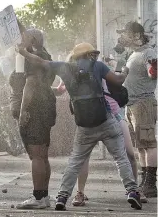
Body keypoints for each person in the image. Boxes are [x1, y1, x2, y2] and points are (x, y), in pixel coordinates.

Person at [17, 41, 142, 210]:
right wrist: (126, 71)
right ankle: (132, 192)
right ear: (89, 54)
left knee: (75, 161)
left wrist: (23, 52)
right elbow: (118, 80)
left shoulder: (64, 67)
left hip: (84, 126)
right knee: (121, 158)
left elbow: (39, 62)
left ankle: (62, 197)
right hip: (105, 121)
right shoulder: (98, 66)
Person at [53, 57, 148, 205]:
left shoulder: (98, 67)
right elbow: (60, 89)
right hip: (93, 119)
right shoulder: (73, 71)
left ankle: (134, 189)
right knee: (86, 158)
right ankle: (80, 192)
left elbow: (117, 80)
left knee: (128, 154)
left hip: (112, 114)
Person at [10, 29, 56, 209]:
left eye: (24, 36)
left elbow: (30, 85)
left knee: (36, 155)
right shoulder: (46, 55)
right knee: (42, 155)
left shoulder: (33, 57)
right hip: (46, 107)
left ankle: (38, 198)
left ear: (33, 39)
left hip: (34, 109)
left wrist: (23, 111)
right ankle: (43, 195)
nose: (20, 39)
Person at [118, 21, 157, 198]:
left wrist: (153, 69)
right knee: (140, 146)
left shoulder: (148, 52)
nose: (123, 37)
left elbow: (153, 71)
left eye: (126, 34)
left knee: (148, 144)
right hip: (132, 104)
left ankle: (151, 183)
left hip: (143, 103)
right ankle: (144, 182)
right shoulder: (134, 54)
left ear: (137, 36)